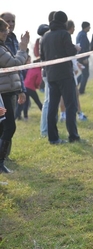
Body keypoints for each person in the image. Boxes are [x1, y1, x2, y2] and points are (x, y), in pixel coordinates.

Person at [40, 11, 82, 144]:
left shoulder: (45, 36)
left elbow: (42, 57)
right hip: (65, 74)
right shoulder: (64, 34)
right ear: (64, 22)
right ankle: (73, 136)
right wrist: (76, 48)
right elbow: (70, 52)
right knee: (71, 105)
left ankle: (53, 138)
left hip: (51, 75)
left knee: (52, 107)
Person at [0, 17, 29, 172]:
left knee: (4, 127)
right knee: (9, 126)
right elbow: (14, 64)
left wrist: (19, 89)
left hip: (7, 91)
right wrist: (23, 47)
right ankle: (0, 162)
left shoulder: (2, 46)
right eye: (3, 29)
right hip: (3, 93)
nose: (6, 32)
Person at [39, 11, 55, 138]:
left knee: (50, 101)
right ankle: (45, 130)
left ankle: (48, 129)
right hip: (49, 71)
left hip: (50, 71)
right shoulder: (47, 35)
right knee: (48, 101)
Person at [76, 21, 91, 94]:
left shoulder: (81, 34)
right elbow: (82, 47)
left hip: (81, 57)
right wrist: (84, 58)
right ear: (86, 27)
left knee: (84, 73)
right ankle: (81, 90)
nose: (90, 28)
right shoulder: (83, 35)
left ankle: (75, 84)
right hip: (83, 58)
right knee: (86, 74)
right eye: (89, 26)